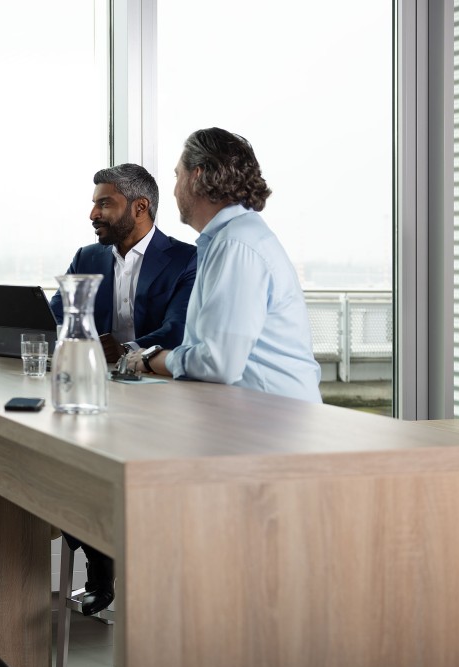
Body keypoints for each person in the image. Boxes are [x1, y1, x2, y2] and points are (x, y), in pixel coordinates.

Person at [50, 163, 197, 617]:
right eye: (94, 202)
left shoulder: (185, 258)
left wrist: (127, 348)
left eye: (103, 203)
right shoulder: (88, 258)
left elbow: (178, 328)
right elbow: (57, 316)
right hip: (96, 389)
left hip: (162, 396)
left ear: (140, 207)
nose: (92, 213)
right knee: (57, 471)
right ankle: (100, 564)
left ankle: (157, 584)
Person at [129, 127, 322, 405]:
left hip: (273, 424)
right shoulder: (232, 238)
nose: (173, 190)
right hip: (260, 416)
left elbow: (219, 363)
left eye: (177, 175)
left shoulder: (236, 244)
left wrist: (152, 358)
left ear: (196, 175)